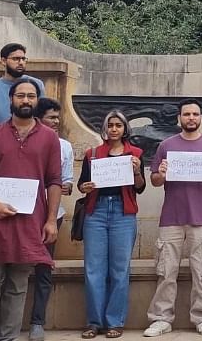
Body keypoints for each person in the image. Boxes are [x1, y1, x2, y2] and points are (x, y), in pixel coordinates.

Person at [0, 78, 62, 341]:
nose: (26, 101)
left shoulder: (49, 138)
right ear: (11, 100)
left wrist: (51, 220)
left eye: (31, 96)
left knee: (17, 288)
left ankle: (6, 338)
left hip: (29, 224)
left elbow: (54, 181)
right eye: (21, 96)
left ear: (36, 100)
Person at [144, 101, 202, 337]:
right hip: (171, 217)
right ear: (179, 118)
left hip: (200, 218)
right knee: (166, 272)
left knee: (201, 272)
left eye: (195, 114)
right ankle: (161, 318)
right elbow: (155, 180)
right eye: (186, 114)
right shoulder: (166, 145)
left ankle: (201, 317)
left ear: (201, 118)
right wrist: (160, 173)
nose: (191, 118)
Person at [77, 110, 146, 339]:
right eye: (110, 125)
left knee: (120, 269)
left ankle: (114, 321)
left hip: (122, 212)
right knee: (93, 269)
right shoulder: (93, 154)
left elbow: (139, 187)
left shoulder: (135, 154)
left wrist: (136, 171)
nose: (114, 129)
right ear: (105, 129)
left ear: (125, 128)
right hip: (95, 212)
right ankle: (94, 322)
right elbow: (82, 184)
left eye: (118, 125)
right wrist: (85, 187)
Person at [28, 98, 74, 341]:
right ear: (38, 119)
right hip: (23, 216)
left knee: (44, 270)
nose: (56, 122)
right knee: (15, 270)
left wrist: (64, 186)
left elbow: (67, 179)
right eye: (51, 117)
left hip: (52, 217)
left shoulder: (64, 146)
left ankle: (38, 322)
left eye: (58, 117)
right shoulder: (24, 142)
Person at [0, 43, 46, 130]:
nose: (21, 62)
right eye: (16, 59)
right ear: (3, 61)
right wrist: (2, 138)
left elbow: (43, 116)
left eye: (23, 59)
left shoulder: (37, 85)